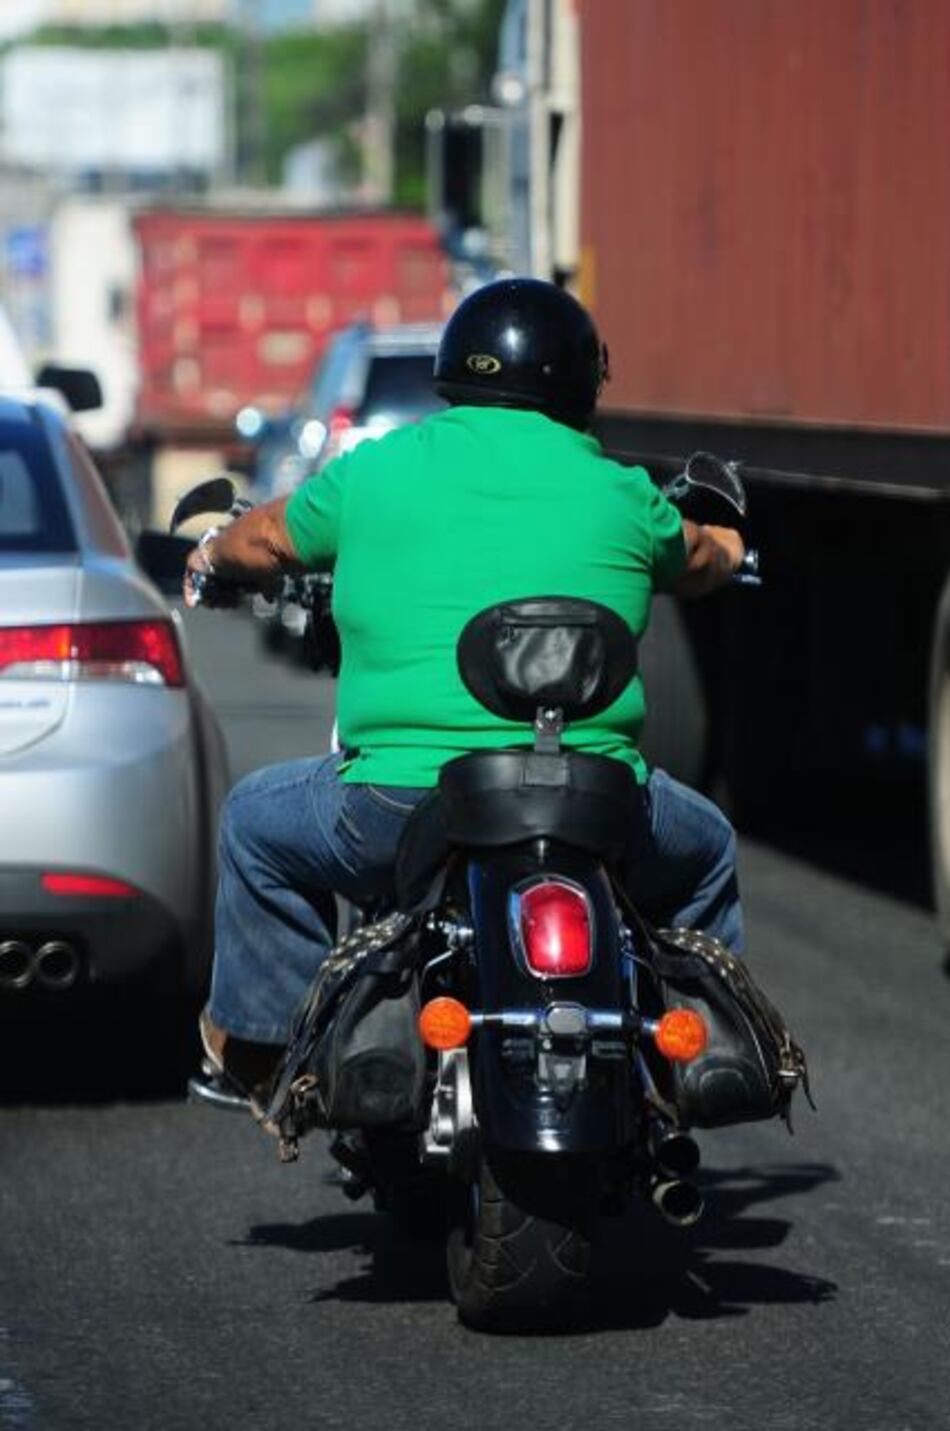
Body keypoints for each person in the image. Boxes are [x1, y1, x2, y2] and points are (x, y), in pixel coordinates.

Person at [187, 278, 746, 1110]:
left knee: (255, 825)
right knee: (708, 847)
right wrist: (734, 541)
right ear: (579, 383)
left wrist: (209, 555)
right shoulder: (625, 494)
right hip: (597, 804)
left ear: (456, 370)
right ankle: (702, 1049)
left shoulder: (375, 471)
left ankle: (268, 1054)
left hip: (397, 804)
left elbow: (267, 536)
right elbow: (702, 559)